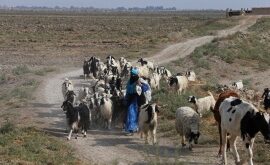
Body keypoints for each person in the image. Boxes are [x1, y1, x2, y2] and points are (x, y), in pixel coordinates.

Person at [124, 67, 152, 136]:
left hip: (136, 99)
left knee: (132, 113)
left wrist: (140, 85)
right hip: (130, 99)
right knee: (130, 113)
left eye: (134, 74)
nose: (132, 76)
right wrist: (126, 98)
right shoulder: (129, 81)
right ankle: (132, 128)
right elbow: (128, 90)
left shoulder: (138, 80)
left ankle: (132, 130)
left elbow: (145, 87)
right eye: (132, 74)